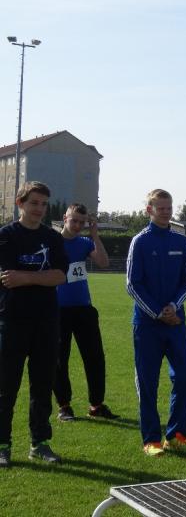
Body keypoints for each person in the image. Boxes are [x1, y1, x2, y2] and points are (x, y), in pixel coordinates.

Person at [0, 182, 68, 467]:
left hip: (46, 322)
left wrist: (26, 277)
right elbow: (7, 278)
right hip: (12, 321)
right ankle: (3, 446)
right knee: (6, 387)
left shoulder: (52, 238)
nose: (40, 209)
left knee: (42, 386)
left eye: (43, 204)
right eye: (34, 203)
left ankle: (39, 443)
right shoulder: (5, 236)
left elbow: (60, 275)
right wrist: (41, 278)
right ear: (20, 203)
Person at [126, 189, 186, 457]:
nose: (166, 212)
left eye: (169, 207)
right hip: (147, 325)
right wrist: (158, 312)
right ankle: (151, 439)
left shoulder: (181, 241)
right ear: (149, 210)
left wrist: (173, 307)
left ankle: (177, 434)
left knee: (185, 376)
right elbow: (133, 284)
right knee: (148, 382)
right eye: (160, 208)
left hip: (176, 322)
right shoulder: (140, 241)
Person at [53, 204, 119, 422]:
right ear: (65, 218)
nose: (78, 225)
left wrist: (95, 235)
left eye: (82, 222)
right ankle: (64, 406)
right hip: (58, 310)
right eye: (74, 220)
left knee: (95, 358)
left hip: (84, 309)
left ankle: (96, 405)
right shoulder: (52, 242)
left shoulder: (84, 243)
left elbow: (103, 262)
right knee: (59, 360)